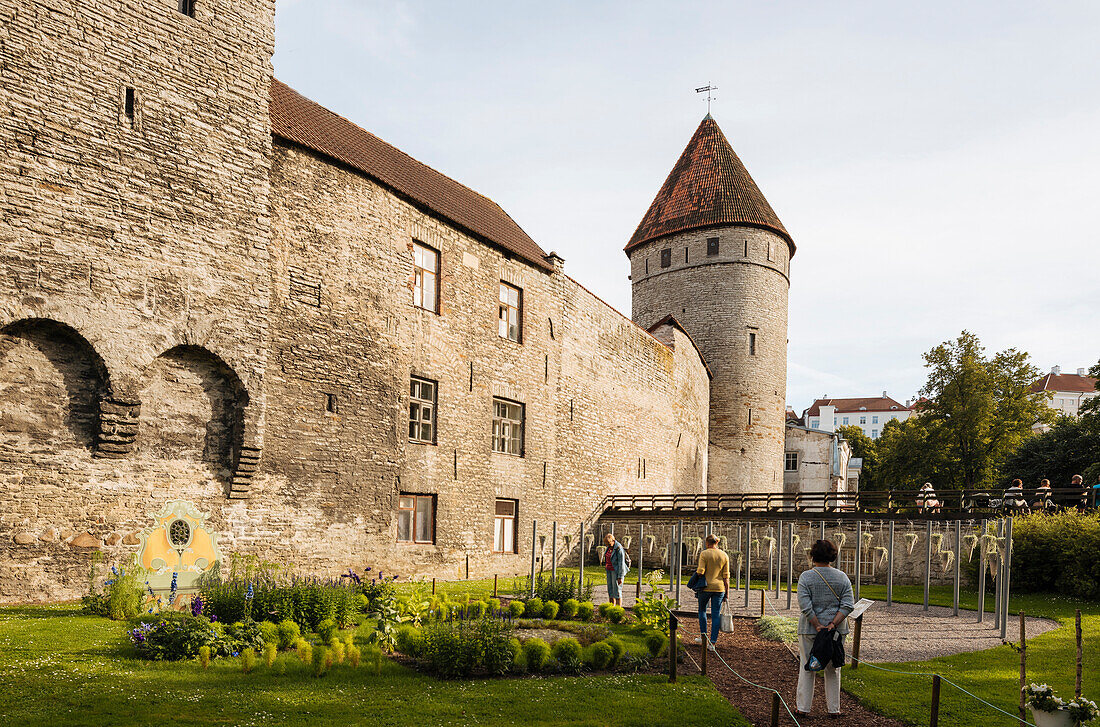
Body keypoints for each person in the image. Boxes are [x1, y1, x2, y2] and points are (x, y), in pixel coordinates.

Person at [796, 539, 855, 718]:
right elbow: (848, 605)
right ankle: (834, 709)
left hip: (810, 630)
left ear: (813, 556)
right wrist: (832, 624)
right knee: (834, 668)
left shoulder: (806, 577)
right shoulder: (842, 577)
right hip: (836, 631)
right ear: (832, 556)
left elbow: (805, 605)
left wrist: (817, 624)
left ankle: (803, 708)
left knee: (807, 666)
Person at [694, 534, 730, 651]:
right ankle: (713, 643)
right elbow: (726, 577)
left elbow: (701, 571)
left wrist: (696, 576)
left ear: (706, 543)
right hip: (719, 588)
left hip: (705, 587)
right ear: (717, 543)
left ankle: (703, 636)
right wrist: (727, 592)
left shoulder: (704, 554)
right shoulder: (724, 555)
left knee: (702, 610)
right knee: (715, 614)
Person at [603, 533, 625, 607]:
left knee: (617, 591)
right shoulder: (609, 547)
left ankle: (618, 609)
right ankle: (611, 608)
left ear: (613, 540)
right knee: (610, 591)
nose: (608, 546)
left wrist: (620, 577)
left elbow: (621, 563)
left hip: (616, 572)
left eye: (609, 544)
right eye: (607, 544)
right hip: (609, 570)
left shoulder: (619, 548)